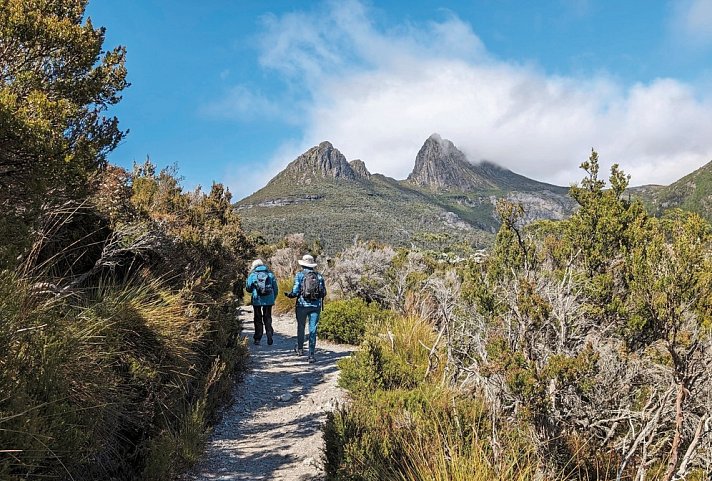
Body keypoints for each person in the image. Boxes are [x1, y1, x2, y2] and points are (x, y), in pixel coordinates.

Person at [285, 254, 326, 363]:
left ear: (303, 264)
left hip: (302, 305)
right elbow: (324, 292)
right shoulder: (319, 276)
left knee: (301, 327)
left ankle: (300, 349)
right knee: (313, 330)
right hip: (316, 306)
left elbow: (296, 291)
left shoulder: (299, 275)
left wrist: (290, 295)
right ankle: (311, 355)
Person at [245, 259, 278, 346]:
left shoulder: (252, 275)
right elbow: (275, 288)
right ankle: (269, 333)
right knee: (267, 317)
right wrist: (273, 298)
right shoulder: (270, 275)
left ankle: (257, 338)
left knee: (257, 318)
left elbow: (248, 288)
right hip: (269, 300)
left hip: (257, 300)